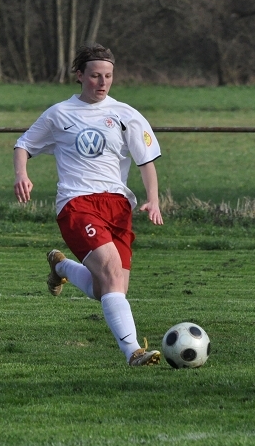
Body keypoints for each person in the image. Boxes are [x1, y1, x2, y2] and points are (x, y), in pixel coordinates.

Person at [13, 43, 164, 366]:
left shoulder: (126, 115)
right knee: (110, 271)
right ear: (80, 76)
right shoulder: (59, 114)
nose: (103, 82)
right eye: (95, 76)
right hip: (76, 203)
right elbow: (23, 144)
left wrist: (153, 199)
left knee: (109, 288)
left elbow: (146, 161)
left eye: (108, 76)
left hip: (118, 206)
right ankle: (133, 351)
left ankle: (62, 267)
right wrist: (21, 174)